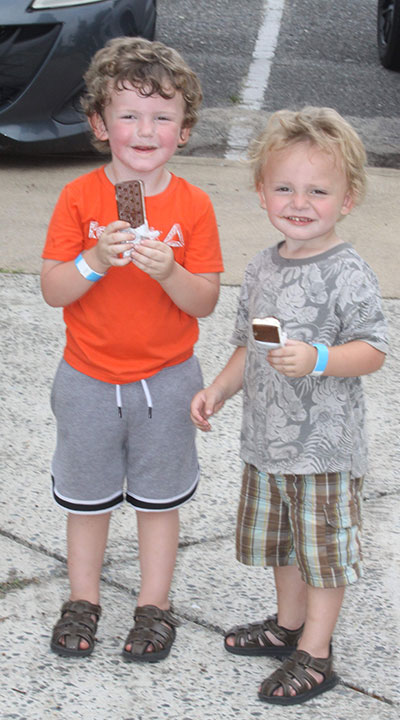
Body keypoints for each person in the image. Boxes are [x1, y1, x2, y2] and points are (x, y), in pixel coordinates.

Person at [191, 107, 387, 704]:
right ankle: (289, 626)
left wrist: (320, 358)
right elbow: (252, 347)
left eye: (318, 190)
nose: (299, 202)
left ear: (347, 198)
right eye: (285, 187)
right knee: (283, 546)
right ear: (261, 192)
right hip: (268, 445)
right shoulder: (261, 268)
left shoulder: (347, 271)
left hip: (322, 451)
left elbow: (374, 349)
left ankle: (318, 655)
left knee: (323, 555)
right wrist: (221, 389)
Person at [41, 36, 223, 661]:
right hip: (88, 378)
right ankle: (82, 597)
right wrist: (93, 259)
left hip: (167, 380)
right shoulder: (79, 198)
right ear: (99, 124)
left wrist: (169, 271)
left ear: (185, 129)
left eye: (163, 116)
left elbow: (205, 302)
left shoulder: (194, 206)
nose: (145, 129)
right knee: (88, 500)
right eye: (128, 114)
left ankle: (154, 605)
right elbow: (53, 289)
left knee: (157, 500)